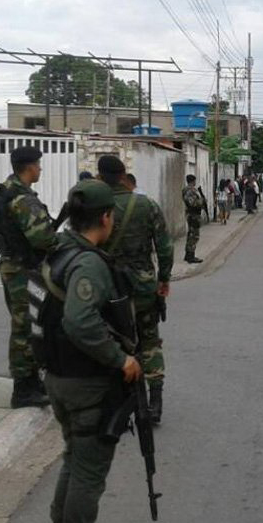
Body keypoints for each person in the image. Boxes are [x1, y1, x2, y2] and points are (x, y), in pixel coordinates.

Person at [38, 179, 142, 523]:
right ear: (106, 217)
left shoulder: (62, 248)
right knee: (89, 470)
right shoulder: (89, 263)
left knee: (74, 458)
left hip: (60, 376)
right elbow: (80, 320)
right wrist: (121, 359)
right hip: (86, 383)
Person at [98, 156, 173, 424]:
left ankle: (116, 402)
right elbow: (164, 246)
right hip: (142, 286)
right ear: (123, 175)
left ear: (100, 176)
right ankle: (155, 403)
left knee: (109, 342)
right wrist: (164, 279)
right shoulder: (146, 205)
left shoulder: (96, 206)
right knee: (149, 340)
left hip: (105, 288)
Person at [0, 145, 56, 408]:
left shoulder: (2, 194)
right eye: (38, 164)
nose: (40, 169)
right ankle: (23, 389)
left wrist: (10, 252)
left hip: (12, 266)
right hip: (24, 270)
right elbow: (42, 239)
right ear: (29, 167)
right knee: (25, 328)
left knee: (26, 326)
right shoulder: (23, 199)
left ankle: (31, 382)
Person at [182, 175, 205, 264]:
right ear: (192, 181)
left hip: (193, 214)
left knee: (191, 234)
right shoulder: (189, 191)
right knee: (194, 235)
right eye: (195, 181)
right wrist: (201, 201)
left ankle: (188, 255)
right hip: (193, 215)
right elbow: (193, 203)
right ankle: (190, 256)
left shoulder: (189, 190)